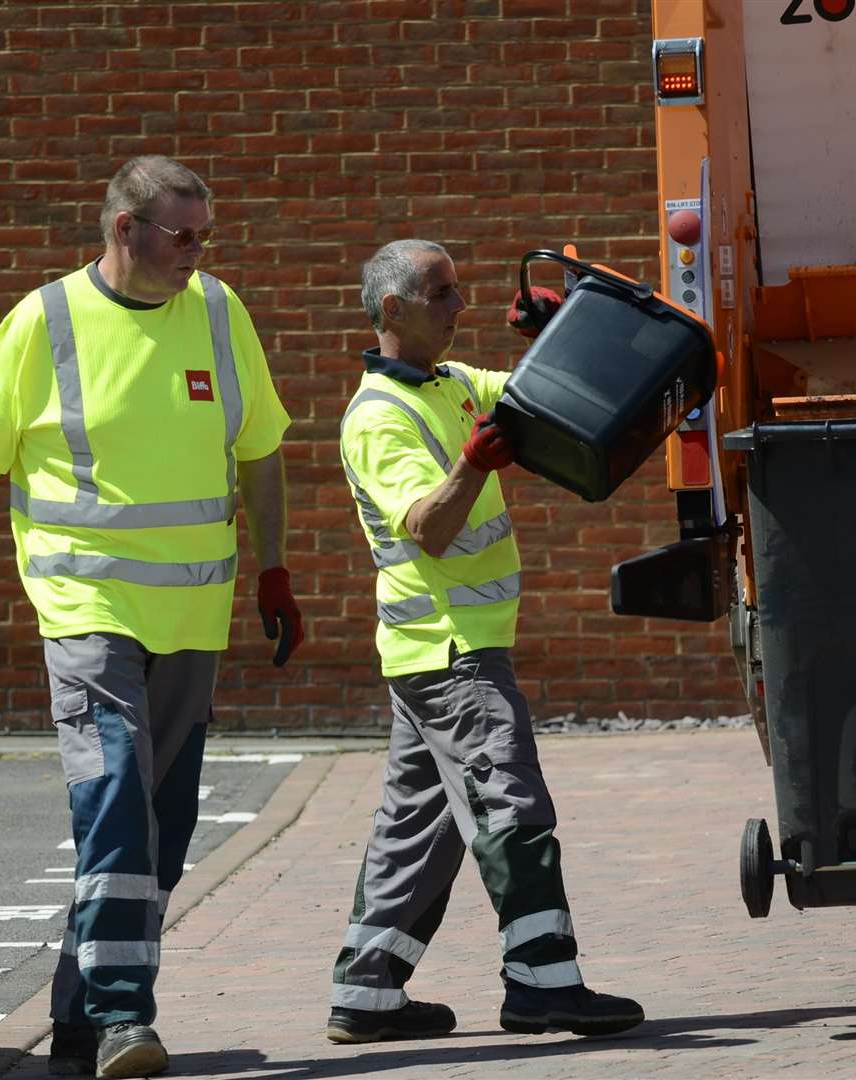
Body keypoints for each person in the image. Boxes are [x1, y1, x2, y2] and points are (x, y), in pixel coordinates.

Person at [0, 155, 303, 1079]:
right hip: (85, 609)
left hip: (191, 616)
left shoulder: (216, 309)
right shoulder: (41, 322)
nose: (197, 253)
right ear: (124, 229)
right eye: (182, 234)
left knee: (153, 831)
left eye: (205, 235)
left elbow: (262, 448)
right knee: (117, 798)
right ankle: (127, 1019)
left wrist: (276, 571)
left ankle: (76, 1025)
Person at [324, 239, 644, 1044]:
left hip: (440, 652)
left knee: (420, 826)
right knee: (511, 803)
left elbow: (542, 402)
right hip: (449, 653)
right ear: (392, 309)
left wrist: (559, 331)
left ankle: (366, 990)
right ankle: (544, 983)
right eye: (441, 294)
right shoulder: (377, 417)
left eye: (460, 291)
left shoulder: (454, 383)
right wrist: (471, 465)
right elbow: (429, 527)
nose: (459, 307)